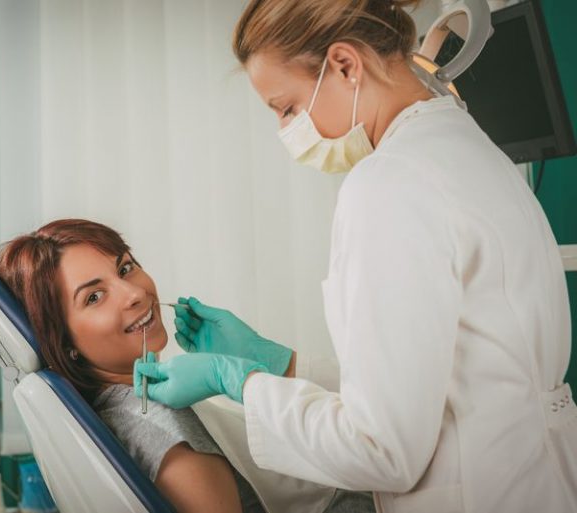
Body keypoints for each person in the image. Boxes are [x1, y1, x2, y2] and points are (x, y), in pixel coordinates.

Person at [134, 1, 577, 512]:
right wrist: (280, 363)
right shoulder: (468, 149)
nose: (287, 132)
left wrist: (238, 384)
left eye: (287, 108)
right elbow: (431, 386)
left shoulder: (389, 183)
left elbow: (382, 450)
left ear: (345, 65)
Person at [0, 219, 375, 513]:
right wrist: (238, 377)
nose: (135, 293)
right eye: (94, 297)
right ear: (64, 343)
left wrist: (275, 361)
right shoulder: (156, 420)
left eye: (125, 268)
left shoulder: (133, 404)